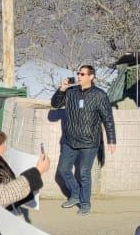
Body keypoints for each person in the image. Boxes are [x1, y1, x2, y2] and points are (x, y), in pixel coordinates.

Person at [50, 64, 116, 216]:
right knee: (63, 170)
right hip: (69, 140)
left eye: (83, 74)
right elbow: (55, 104)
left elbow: (108, 119)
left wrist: (111, 140)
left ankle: (85, 203)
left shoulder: (99, 95)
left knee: (84, 173)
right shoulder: (71, 92)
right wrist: (62, 89)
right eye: (78, 73)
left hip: (89, 141)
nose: (79, 76)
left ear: (91, 77)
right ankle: (75, 195)